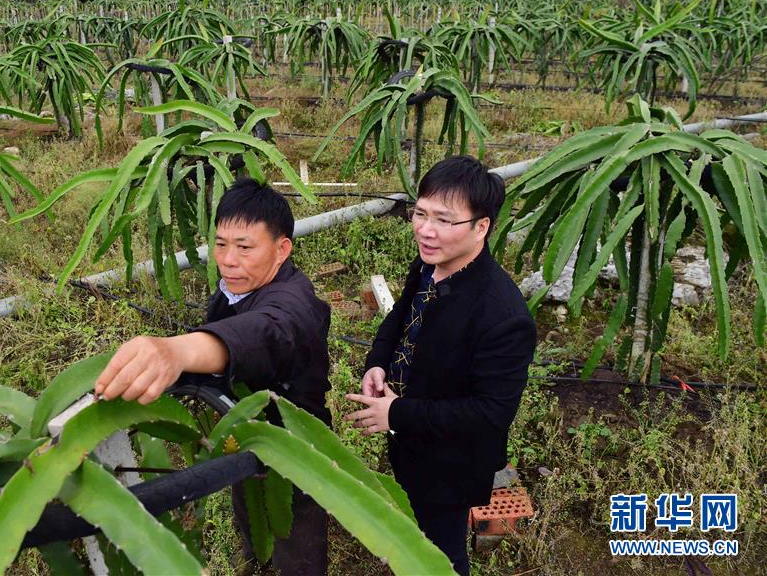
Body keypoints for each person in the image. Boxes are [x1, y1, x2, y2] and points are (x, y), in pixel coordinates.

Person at [95, 178, 330, 576]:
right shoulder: (233, 288)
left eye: (244, 247)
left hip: (295, 447)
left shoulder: (295, 301)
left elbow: (268, 332)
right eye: (221, 244)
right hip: (243, 432)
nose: (228, 259)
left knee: (297, 541)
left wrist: (179, 349)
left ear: (281, 249)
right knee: (251, 523)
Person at [344, 156, 537, 576]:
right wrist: (378, 362)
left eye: (444, 220)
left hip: (451, 464)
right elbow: (398, 317)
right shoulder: (431, 263)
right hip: (409, 442)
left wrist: (395, 412)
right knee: (411, 525)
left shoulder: (503, 316)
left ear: (480, 227)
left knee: (442, 552)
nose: (426, 230)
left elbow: (490, 413)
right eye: (420, 213)